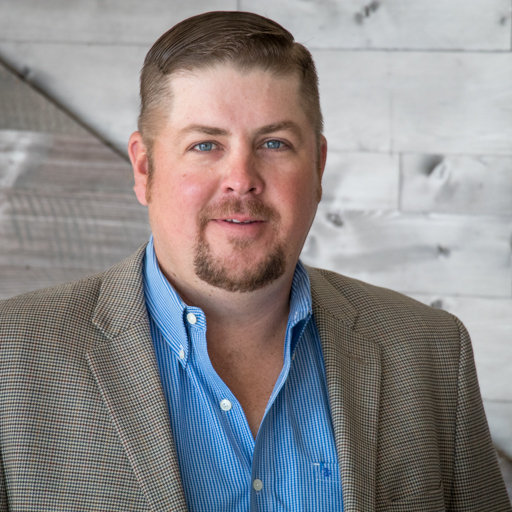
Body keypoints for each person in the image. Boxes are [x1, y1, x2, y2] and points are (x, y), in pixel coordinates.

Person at [0, 11, 510, 512]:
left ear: (318, 167)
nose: (241, 179)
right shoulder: (13, 358)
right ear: (144, 168)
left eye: (274, 143)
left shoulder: (431, 352)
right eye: (205, 144)